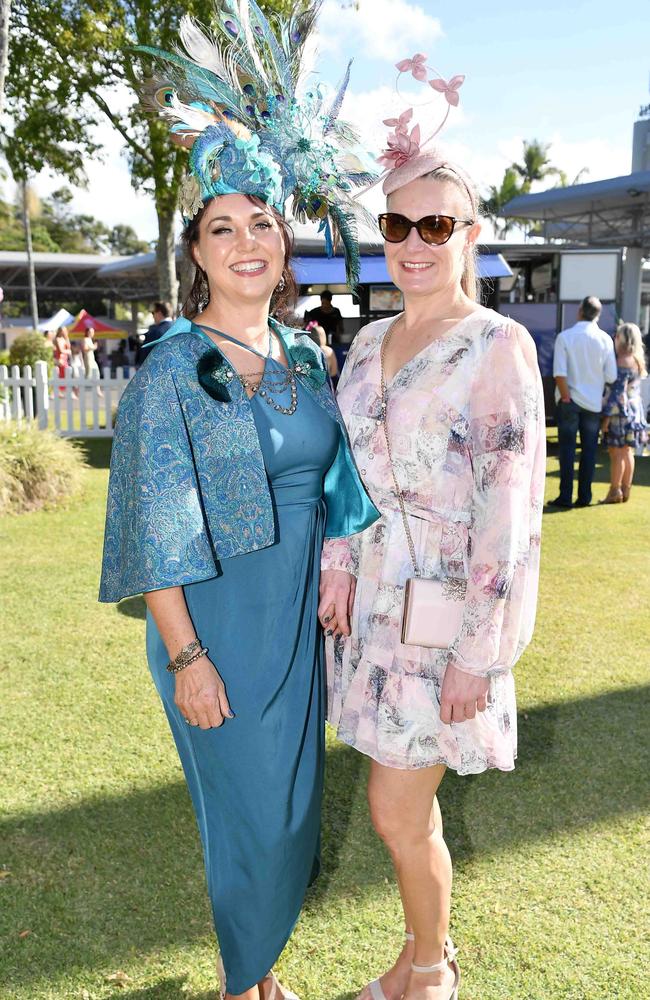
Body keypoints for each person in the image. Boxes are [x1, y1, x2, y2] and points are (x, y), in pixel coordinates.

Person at [99, 4, 378, 998]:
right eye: (224, 227)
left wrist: (339, 565)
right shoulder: (171, 371)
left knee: (292, 813)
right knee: (248, 810)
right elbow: (149, 527)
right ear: (199, 251)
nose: (247, 240)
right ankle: (241, 983)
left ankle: (257, 974)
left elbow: (336, 477)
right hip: (210, 625)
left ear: (282, 236)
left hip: (293, 629)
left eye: (261, 221)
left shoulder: (304, 355)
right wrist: (185, 657)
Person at [319, 92, 546, 1000]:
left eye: (435, 223)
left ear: (468, 233)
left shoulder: (498, 346)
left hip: (447, 619)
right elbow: (346, 475)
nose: (413, 241)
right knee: (397, 815)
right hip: (373, 610)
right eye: (397, 223)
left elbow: (511, 513)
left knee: (394, 811)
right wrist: (337, 568)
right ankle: (421, 961)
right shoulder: (369, 340)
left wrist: (480, 654)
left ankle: (429, 972)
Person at [550, 296, 617, 508]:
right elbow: (611, 376)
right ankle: (584, 497)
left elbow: (559, 373)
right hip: (592, 403)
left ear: (580, 311)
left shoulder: (565, 337)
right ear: (598, 315)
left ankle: (565, 496)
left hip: (569, 400)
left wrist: (567, 396)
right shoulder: (605, 339)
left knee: (567, 451)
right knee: (588, 451)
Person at [601, 322, 648, 502]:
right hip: (635, 412)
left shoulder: (621, 360)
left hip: (620, 413)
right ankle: (625, 490)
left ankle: (615, 491)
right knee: (627, 451)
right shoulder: (637, 360)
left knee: (617, 452)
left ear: (622, 338)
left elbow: (617, 394)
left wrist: (605, 418)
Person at [136, 301, 174, 365]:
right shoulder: (180, 329)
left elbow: (145, 355)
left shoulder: (155, 331)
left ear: (159, 313)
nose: (153, 316)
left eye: (153, 313)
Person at [82, 325, 103, 397]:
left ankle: (98, 390)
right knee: (88, 374)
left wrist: (94, 347)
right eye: (91, 332)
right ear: (87, 332)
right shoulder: (85, 339)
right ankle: (79, 390)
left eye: (93, 332)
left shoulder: (91, 340)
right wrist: (93, 347)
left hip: (92, 359)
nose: (92, 333)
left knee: (97, 373)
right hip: (88, 359)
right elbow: (85, 349)